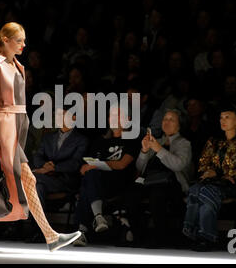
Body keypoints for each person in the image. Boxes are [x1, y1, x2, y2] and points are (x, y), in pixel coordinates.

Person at [0, 22, 81, 252]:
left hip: (14, 127)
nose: (24, 44)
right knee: (17, 179)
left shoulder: (16, 65)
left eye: (24, 40)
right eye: (19, 40)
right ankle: (51, 237)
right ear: (5, 40)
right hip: (3, 129)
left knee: (2, 181)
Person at [182, 102, 236, 252]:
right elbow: (203, 163)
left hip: (230, 186)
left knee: (202, 192)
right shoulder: (213, 142)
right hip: (210, 182)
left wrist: (220, 174)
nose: (223, 120)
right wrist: (211, 173)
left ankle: (198, 234)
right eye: (221, 117)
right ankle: (203, 237)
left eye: (227, 117)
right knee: (198, 190)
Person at [120, 109, 193, 247]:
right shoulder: (157, 141)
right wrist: (144, 150)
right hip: (149, 181)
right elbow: (140, 168)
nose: (167, 122)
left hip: (172, 184)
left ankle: (161, 237)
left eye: (172, 119)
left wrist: (159, 149)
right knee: (131, 193)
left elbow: (178, 165)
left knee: (158, 194)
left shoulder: (184, 143)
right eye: (165, 119)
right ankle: (137, 235)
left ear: (179, 125)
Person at [73, 105, 139, 247]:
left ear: (127, 119)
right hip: (98, 184)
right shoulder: (100, 141)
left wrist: (96, 165)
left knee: (88, 184)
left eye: (119, 114)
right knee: (90, 178)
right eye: (111, 115)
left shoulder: (132, 139)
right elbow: (85, 166)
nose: (114, 118)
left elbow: (122, 165)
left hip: (119, 183)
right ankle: (98, 218)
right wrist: (91, 167)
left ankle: (83, 230)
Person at [27, 107, 88, 242]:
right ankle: (39, 230)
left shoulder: (81, 139)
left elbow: (75, 163)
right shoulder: (48, 137)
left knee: (31, 179)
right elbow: (38, 157)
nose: (59, 118)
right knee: (38, 187)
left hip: (65, 180)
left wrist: (53, 167)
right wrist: (44, 165)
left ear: (74, 118)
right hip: (44, 179)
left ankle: (36, 229)